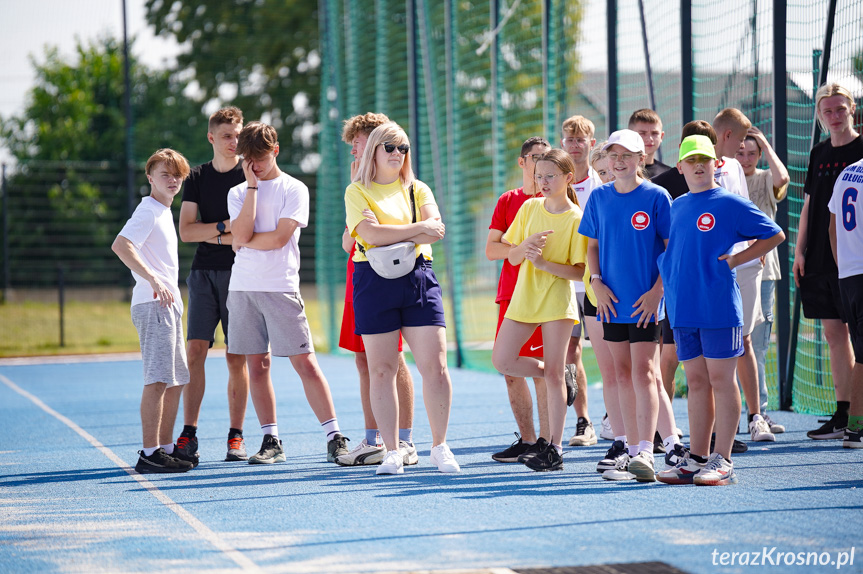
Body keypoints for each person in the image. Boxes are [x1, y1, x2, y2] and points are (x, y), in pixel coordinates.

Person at [657, 135, 784, 486]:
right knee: (696, 382)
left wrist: (735, 260)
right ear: (679, 167)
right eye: (691, 160)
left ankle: (723, 458)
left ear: (716, 164)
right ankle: (697, 457)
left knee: (721, 381)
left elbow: (774, 234)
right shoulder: (676, 205)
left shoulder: (728, 202)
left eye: (706, 159)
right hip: (682, 311)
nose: (699, 165)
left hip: (718, 310)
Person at [227, 121, 349, 465]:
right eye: (248, 159)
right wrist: (251, 188)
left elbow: (278, 238)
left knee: (305, 364)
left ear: (275, 151)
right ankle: (271, 439)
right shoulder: (238, 193)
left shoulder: (294, 188)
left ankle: (334, 436)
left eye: (261, 158)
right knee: (257, 364)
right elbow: (241, 234)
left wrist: (246, 239)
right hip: (243, 289)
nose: (255, 165)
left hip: (281, 287)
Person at [345, 121, 460, 475]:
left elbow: (436, 229)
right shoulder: (357, 191)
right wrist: (415, 231)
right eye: (390, 147)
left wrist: (388, 233)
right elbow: (366, 235)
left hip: (419, 278)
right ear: (375, 150)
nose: (398, 154)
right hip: (373, 280)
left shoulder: (418, 189)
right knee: (381, 369)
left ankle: (439, 446)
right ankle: (392, 450)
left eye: (404, 148)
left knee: (436, 367)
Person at [579, 129, 681, 483]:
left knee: (645, 374)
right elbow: (591, 246)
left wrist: (657, 292)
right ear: (606, 159)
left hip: (644, 304)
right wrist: (596, 283)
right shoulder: (599, 198)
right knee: (621, 374)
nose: (619, 162)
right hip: (610, 302)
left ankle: (647, 453)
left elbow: (671, 249)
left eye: (627, 155)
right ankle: (626, 445)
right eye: (613, 155)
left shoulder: (657, 196)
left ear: (641, 159)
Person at [491, 148, 587, 471]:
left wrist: (545, 263)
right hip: (525, 297)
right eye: (539, 176)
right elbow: (513, 256)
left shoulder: (575, 218)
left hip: (557, 302)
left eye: (550, 176)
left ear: (568, 178)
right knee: (502, 360)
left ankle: (555, 450)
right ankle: (557, 371)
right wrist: (523, 246)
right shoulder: (530, 207)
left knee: (554, 377)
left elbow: (579, 271)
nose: (542, 182)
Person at [335, 113, 417, 467]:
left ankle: (405, 440)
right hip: (362, 273)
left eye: (359, 142)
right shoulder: (357, 185)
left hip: (394, 275)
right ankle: (374, 440)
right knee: (363, 359)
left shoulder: (400, 184)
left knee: (392, 359)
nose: (354, 148)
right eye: (353, 143)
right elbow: (347, 240)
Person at [112, 148, 195, 474]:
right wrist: (153, 278)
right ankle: (150, 453)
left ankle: (165, 447)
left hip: (168, 305)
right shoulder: (148, 210)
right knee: (159, 378)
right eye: (165, 174)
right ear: (150, 178)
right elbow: (121, 245)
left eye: (177, 174)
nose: (172, 179)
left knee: (175, 380)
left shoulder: (163, 212)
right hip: (152, 303)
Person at [175, 106, 250, 464]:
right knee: (195, 353)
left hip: (242, 274)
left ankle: (236, 436)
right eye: (226, 136)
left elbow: (249, 230)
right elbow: (187, 231)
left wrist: (218, 231)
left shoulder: (250, 173)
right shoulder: (197, 176)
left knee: (237, 357)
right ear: (211, 138)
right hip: (203, 274)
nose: (234, 142)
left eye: (237, 135)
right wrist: (224, 228)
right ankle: (189, 434)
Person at [793, 83, 863, 440]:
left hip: (854, 258)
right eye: (828, 111)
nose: (834, 117)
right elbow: (808, 205)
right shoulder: (819, 152)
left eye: (840, 110)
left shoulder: (862, 149)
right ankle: (843, 412)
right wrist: (800, 249)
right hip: (820, 256)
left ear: (853, 110)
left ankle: (858, 416)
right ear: (820, 116)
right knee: (834, 334)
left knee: (859, 336)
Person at [486, 136, 553, 463]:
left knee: (542, 375)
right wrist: (518, 250)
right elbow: (491, 250)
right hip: (511, 295)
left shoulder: (557, 201)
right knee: (510, 369)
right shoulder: (508, 200)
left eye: (546, 157)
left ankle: (546, 441)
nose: (540, 163)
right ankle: (527, 440)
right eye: (535, 157)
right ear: (522, 162)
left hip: (544, 295)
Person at [735, 127, 790, 433]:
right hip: (734, 269)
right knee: (734, 342)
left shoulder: (765, 179)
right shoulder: (726, 176)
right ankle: (734, 409)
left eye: (751, 153)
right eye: (740, 152)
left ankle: (759, 412)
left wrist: (766, 143)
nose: (745, 158)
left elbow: (783, 178)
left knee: (757, 343)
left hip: (764, 271)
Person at [560, 115, 600, 447]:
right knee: (571, 351)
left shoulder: (602, 186)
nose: (575, 145)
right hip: (567, 284)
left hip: (599, 282)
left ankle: (617, 417)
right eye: (569, 139)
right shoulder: (555, 183)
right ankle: (583, 421)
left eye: (580, 139)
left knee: (609, 352)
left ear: (592, 143)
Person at [828, 158, 863, 449]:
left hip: (848, 276)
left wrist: (845, 269)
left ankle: (856, 428)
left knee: (861, 356)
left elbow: (832, 228)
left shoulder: (847, 173)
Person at [629, 109, 671, 180]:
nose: (649, 138)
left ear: (661, 136)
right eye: (642, 133)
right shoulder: (620, 171)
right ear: (630, 135)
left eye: (654, 133)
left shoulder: (669, 174)